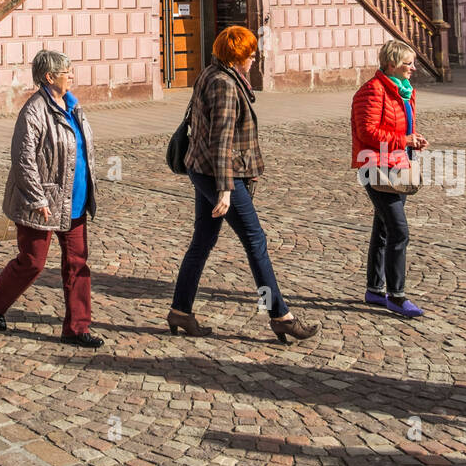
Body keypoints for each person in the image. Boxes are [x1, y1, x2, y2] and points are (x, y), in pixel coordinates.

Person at [169, 26, 318, 344]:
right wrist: (225, 188)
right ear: (236, 57)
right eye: (250, 54)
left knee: (202, 242)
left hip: (203, 170)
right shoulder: (224, 84)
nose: (254, 58)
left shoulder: (211, 72)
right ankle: (279, 315)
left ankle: (180, 310)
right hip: (221, 174)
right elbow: (220, 140)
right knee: (256, 243)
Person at [0, 51, 103, 348]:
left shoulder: (73, 106)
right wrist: (38, 199)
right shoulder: (34, 111)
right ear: (49, 77)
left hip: (74, 200)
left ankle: (76, 328)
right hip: (43, 202)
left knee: (78, 262)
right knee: (33, 262)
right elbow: (23, 160)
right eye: (66, 72)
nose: (71, 76)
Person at [351, 39, 429, 320]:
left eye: (412, 62)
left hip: (397, 165)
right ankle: (396, 296)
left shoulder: (404, 92)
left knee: (384, 228)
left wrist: (413, 141)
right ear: (391, 64)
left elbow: (402, 127)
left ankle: (374, 289)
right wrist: (403, 139)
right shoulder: (371, 91)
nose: (413, 68)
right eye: (408, 63)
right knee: (399, 231)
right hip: (375, 167)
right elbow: (368, 132)